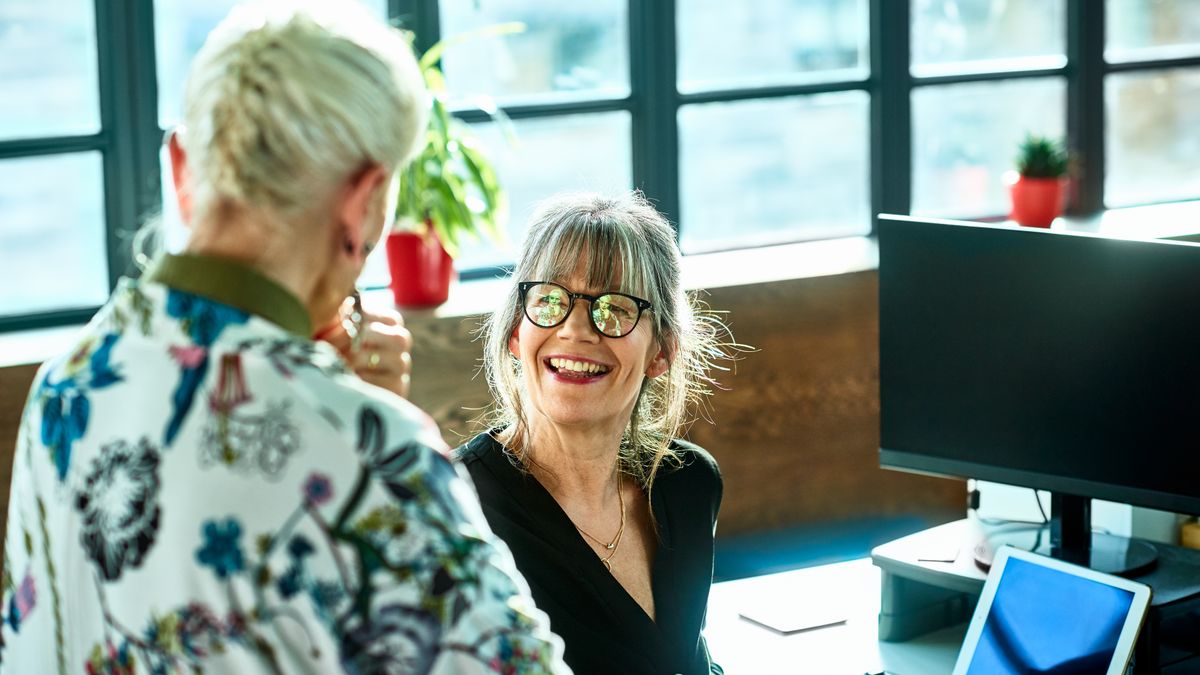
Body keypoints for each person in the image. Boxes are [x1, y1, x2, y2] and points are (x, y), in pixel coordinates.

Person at [0, 2, 568, 673]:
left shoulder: (68, 383)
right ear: (363, 203)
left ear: (180, 166)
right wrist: (362, 420)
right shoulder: (375, 455)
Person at [455, 192, 731, 674]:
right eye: (550, 299)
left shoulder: (688, 483)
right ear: (517, 331)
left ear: (661, 351)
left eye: (615, 308)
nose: (577, 329)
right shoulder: (455, 505)